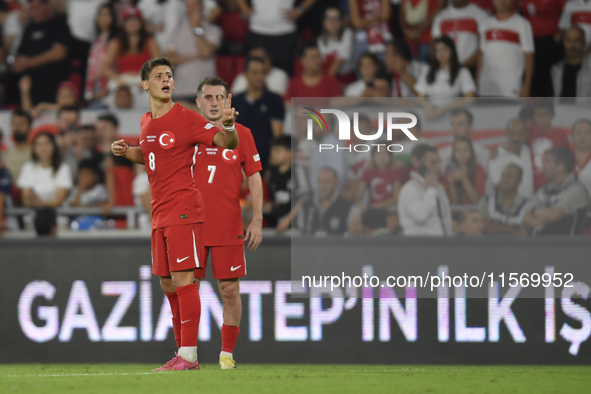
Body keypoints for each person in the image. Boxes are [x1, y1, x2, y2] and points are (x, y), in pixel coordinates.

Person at [110, 57, 239, 371]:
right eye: (158, 76)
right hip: (159, 212)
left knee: (184, 279)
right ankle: (182, 352)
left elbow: (227, 143)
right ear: (145, 84)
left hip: (183, 209)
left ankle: (189, 355)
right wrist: (128, 152)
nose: (166, 80)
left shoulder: (186, 118)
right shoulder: (146, 122)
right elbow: (153, 155)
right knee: (167, 284)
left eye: (169, 76)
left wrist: (229, 124)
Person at [192, 76, 262, 370]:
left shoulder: (242, 134)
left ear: (228, 100)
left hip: (227, 225)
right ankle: (186, 353)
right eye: (207, 98)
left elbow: (254, 175)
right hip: (191, 224)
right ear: (198, 102)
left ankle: (226, 355)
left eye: (218, 97)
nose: (213, 103)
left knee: (230, 290)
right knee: (186, 289)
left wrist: (257, 219)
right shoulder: (189, 134)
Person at [236, 0, 317, 75]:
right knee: (254, 72)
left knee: (284, 74)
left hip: (284, 32)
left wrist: (300, 10)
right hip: (257, 30)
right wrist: (244, 7)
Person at [14, 0, 71, 105]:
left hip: (51, 82)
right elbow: (19, 53)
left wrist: (29, 63)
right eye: (31, 8)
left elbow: (59, 52)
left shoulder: (59, 24)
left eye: (37, 8)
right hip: (29, 86)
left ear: (47, 6)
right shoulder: (29, 28)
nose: (33, 11)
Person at [522, 146, 589, 235]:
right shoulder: (544, 189)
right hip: (537, 246)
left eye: (548, 162)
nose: (544, 166)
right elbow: (525, 217)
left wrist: (534, 211)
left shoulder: (576, 190)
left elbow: (554, 215)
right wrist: (543, 220)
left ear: (561, 167)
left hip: (565, 247)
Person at [101, 6, 160, 106]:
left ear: (141, 23)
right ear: (123, 24)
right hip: (123, 80)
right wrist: (119, 80)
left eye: (135, 20)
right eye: (129, 20)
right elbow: (104, 67)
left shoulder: (150, 41)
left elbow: (160, 66)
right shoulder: (117, 42)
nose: (132, 23)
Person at [233, 57, 285, 170]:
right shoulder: (235, 101)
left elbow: (277, 136)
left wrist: (271, 168)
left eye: (262, 72)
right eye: (255, 73)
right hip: (237, 163)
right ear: (246, 75)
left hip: (264, 163)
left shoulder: (275, 100)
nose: (260, 77)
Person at [166, 0, 222, 102]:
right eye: (188, 6)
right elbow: (170, 59)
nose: (191, 9)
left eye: (194, 5)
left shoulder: (213, 30)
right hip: (181, 91)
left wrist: (196, 28)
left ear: (202, 8)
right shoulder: (177, 31)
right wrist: (195, 55)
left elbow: (205, 52)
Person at [477, 0, 534, 97]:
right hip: (486, 86)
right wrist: (477, 81)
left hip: (511, 87)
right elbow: (481, 55)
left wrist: (526, 86)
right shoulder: (484, 24)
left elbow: (529, 56)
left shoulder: (523, 24)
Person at [398, 144, 453, 236]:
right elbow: (420, 215)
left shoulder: (438, 187)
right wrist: (431, 190)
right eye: (433, 163)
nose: (438, 167)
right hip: (418, 244)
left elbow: (445, 217)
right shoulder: (409, 189)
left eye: (439, 162)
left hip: (440, 242)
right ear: (419, 165)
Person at [415, 36, 476, 119]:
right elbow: (420, 96)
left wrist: (444, 108)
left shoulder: (462, 72)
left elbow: (470, 98)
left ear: (452, 50)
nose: (441, 53)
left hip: (453, 116)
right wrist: (427, 106)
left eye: (444, 49)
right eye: (437, 50)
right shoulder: (427, 71)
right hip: (430, 115)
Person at [297, 167, 359, 236]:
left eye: (327, 181)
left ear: (336, 183)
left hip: (337, 246)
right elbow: (301, 234)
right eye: (320, 181)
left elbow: (353, 238)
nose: (322, 186)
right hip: (310, 246)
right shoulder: (306, 206)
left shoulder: (349, 208)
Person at [520, 0, 565, 97]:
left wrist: (560, 34)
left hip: (550, 41)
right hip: (529, 41)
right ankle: (532, 108)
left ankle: (549, 108)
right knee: (532, 76)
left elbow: (566, 12)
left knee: (548, 77)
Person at [17, 132, 73, 209]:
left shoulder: (63, 168)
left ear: (53, 146)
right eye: (39, 145)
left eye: (46, 144)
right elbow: (25, 198)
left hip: (56, 216)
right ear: (34, 148)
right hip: (33, 216)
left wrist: (40, 204)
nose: (43, 148)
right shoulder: (28, 167)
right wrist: (34, 202)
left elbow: (60, 199)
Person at [265, 136, 309, 232]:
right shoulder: (270, 173)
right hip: (273, 224)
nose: (273, 154)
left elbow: (305, 197)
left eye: (277, 151)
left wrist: (288, 219)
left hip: (294, 226)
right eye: (272, 150)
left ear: (290, 153)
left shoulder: (298, 171)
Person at [528, 99, 570, 191]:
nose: (542, 119)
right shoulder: (529, 132)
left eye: (546, 114)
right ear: (534, 116)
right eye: (538, 115)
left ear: (552, 115)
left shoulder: (560, 134)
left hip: (556, 185)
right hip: (532, 185)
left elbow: (567, 159)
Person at [431, 0, 487, 69]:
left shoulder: (480, 14)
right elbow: (434, 44)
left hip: (471, 67)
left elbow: (483, 47)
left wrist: (464, 66)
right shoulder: (440, 16)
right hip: (446, 69)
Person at [487, 118, 534, 198]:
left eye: (520, 134)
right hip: (509, 207)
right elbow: (498, 186)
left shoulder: (527, 150)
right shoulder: (496, 157)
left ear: (526, 134)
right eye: (512, 133)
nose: (516, 138)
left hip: (528, 205)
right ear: (506, 133)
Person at [478, 163, 528, 235]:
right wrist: (511, 230)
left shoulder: (526, 206)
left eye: (510, 176)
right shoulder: (486, 202)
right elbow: (481, 228)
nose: (505, 179)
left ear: (519, 181)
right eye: (503, 175)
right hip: (489, 245)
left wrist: (507, 230)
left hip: (516, 246)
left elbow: (525, 237)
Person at [84, 4, 118, 109]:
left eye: (107, 14)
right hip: (95, 86)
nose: (103, 18)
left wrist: (110, 86)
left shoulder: (117, 39)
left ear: (113, 17)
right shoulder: (95, 40)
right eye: (101, 15)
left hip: (110, 85)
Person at [439, 108, 489, 173]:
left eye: (460, 124)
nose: (455, 129)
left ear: (470, 127)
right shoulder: (442, 154)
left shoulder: (482, 152)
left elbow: (485, 177)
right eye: (453, 124)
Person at [551, 26, 591, 99]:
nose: (572, 46)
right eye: (568, 40)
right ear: (563, 42)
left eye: (577, 40)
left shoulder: (589, 72)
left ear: (583, 42)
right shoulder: (555, 70)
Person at [317, 7, 355, 83]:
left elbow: (340, 60)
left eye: (336, 18)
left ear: (342, 21)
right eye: (328, 18)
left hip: (346, 77)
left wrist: (324, 82)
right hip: (329, 76)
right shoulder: (320, 39)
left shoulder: (348, 33)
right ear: (324, 22)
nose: (332, 21)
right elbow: (322, 62)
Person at [444, 136, 486, 204]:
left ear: (471, 151)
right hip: (456, 213)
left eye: (465, 150)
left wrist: (463, 178)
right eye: (458, 150)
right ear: (453, 153)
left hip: (474, 212)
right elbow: (454, 204)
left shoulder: (479, 169)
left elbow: (476, 200)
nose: (462, 154)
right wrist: (451, 184)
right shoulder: (449, 170)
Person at [3, 110, 32, 182]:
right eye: (14, 124)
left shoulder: (38, 151)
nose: (17, 128)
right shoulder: (5, 153)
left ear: (29, 127)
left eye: (21, 124)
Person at [572, 118, 591, 196]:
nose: (583, 136)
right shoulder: (565, 159)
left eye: (588, 132)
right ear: (572, 136)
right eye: (579, 132)